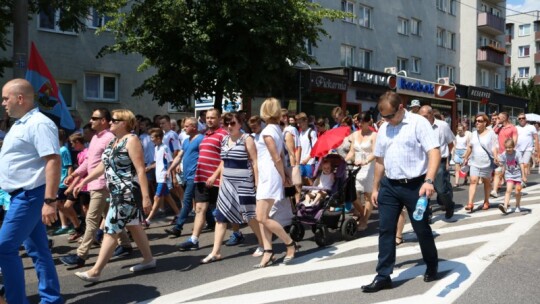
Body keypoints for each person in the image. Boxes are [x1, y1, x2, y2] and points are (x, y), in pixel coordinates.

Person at [361, 91, 440, 293]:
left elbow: (434, 152)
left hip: (416, 186)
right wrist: (376, 187)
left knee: (421, 228)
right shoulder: (385, 128)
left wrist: (429, 180)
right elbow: (380, 160)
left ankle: (432, 264)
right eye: (383, 117)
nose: (386, 120)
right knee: (386, 230)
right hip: (390, 185)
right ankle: (383, 275)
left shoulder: (418, 123)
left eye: (390, 116)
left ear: (401, 108)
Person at [0, 79, 63, 304]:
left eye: (5, 98)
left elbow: (53, 161)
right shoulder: (20, 124)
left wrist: (50, 200)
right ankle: (51, 298)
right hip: (21, 195)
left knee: (4, 248)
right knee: (38, 250)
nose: (3, 103)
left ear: (20, 98)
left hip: (31, 195)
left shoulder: (38, 123)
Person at [73, 109, 154, 282]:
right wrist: (82, 181)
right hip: (115, 192)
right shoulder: (113, 142)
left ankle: (95, 271)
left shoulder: (131, 140)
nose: (110, 123)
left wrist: (146, 197)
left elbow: (140, 170)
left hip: (126, 192)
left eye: (114, 120)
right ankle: (149, 260)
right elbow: (102, 166)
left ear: (124, 123)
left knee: (111, 229)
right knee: (134, 226)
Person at [60, 108, 133, 267]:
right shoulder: (95, 138)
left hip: (103, 184)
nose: (91, 120)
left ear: (104, 121)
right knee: (110, 215)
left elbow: (105, 163)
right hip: (94, 183)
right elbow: (89, 161)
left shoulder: (109, 138)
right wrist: (75, 175)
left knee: (92, 219)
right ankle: (126, 245)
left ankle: (81, 255)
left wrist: (82, 180)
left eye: (95, 118)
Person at [200, 112, 263, 263]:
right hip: (227, 183)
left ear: (240, 123)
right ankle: (216, 252)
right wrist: (220, 180)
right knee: (220, 216)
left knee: (249, 215)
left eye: (232, 123)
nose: (229, 126)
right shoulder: (225, 139)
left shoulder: (246, 138)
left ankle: (263, 243)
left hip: (243, 182)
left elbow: (255, 162)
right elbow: (224, 161)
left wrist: (257, 183)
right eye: (226, 123)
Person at [255, 97, 298, 268]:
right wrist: (285, 176)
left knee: (262, 217)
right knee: (262, 217)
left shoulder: (267, 132)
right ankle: (268, 251)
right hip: (269, 175)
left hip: (270, 176)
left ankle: (289, 243)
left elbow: (276, 158)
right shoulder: (277, 129)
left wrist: (282, 177)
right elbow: (279, 156)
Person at [177, 109, 226, 250]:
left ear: (219, 119)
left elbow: (225, 158)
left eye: (213, 118)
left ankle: (237, 232)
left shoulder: (224, 135)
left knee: (225, 210)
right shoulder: (203, 135)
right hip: (201, 177)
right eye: (208, 117)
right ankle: (194, 239)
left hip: (216, 179)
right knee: (199, 208)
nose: (210, 120)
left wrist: (215, 175)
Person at [164, 117, 203, 237]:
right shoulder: (186, 141)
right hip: (187, 175)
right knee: (200, 201)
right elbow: (179, 156)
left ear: (194, 127)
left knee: (187, 201)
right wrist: (170, 169)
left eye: (186, 126)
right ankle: (211, 222)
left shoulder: (201, 139)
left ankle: (178, 227)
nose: (184, 128)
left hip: (196, 176)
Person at [418, 106, 456, 220]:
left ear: (431, 114)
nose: (422, 119)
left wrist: (446, 160)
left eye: (425, 116)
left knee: (441, 190)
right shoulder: (418, 126)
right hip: (423, 162)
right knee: (424, 189)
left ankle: (449, 205)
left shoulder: (442, 125)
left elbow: (451, 143)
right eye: (421, 116)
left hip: (439, 162)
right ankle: (427, 214)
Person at [345, 111, 376, 230]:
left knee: (368, 195)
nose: (360, 124)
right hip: (356, 166)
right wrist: (345, 159)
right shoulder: (355, 134)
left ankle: (364, 220)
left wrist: (366, 161)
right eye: (358, 122)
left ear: (368, 122)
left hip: (368, 167)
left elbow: (374, 152)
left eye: (362, 122)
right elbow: (352, 151)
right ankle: (363, 213)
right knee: (353, 195)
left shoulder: (373, 135)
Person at [462, 113, 498, 212]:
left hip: (486, 162)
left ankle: (486, 201)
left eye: (480, 121)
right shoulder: (473, 134)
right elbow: (470, 146)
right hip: (474, 161)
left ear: (485, 123)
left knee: (486, 182)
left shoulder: (491, 133)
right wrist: (465, 157)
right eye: (476, 121)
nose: (477, 123)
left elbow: (494, 147)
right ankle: (470, 203)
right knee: (473, 181)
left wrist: (495, 157)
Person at [143, 128, 180, 227]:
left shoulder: (165, 148)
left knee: (157, 197)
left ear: (159, 138)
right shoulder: (156, 148)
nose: (151, 139)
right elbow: (157, 163)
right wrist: (148, 168)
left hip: (164, 177)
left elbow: (171, 162)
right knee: (168, 196)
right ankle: (179, 214)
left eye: (152, 137)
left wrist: (173, 177)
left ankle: (148, 219)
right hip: (158, 176)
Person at [491, 112, 517, 198]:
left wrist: (512, 151)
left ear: (505, 118)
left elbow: (515, 140)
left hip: (508, 153)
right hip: (499, 153)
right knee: (497, 172)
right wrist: (497, 124)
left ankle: (511, 188)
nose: (497, 119)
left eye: (499, 117)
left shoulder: (512, 128)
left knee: (509, 172)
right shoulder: (499, 128)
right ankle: (494, 190)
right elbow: (491, 133)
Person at [498, 139, 526, 214]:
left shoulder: (517, 154)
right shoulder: (504, 154)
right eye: (506, 147)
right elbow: (503, 165)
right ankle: (505, 207)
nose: (508, 149)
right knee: (508, 190)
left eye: (510, 147)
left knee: (517, 192)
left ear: (513, 147)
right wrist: (502, 174)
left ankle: (517, 205)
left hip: (518, 176)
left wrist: (523, 175)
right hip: (509, 175)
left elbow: (521, 164)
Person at [296, 112, 318, 186]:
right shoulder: (300, 133)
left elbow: (315, 149)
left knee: (310, 183)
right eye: (297, 123)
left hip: (309, 163)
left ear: (305, 121)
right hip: (301, 162)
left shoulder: (312, 133)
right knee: (301, 182)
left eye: (300, 123)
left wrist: (307, 159)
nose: (298, 125)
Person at [515, 113, 539, 178]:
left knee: (525, 164)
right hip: (517, 149)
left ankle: (523, 181)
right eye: (520, 118)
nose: (521, 119)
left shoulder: (531, 127)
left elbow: (536, 138)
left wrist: (537, 150)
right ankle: (520, 178)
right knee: (519, 165)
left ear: (526, 119)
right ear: (518, 120)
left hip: (528, 149)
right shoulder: (516, 127)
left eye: (523, 118)